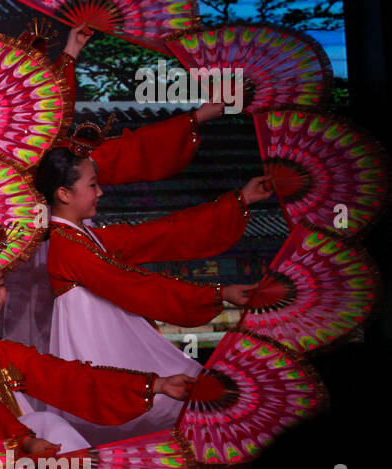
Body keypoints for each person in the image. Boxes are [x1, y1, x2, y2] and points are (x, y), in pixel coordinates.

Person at [0, 22, 224, 352]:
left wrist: (71, 52)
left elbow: (131, 148)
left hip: (68, 240)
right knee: (30, 328)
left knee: (89, 325)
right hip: (24, 248)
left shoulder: (65, 155)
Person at [35, 136, 270, 445]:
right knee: (187, 407)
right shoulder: (69, 247)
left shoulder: (83, 237)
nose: (100, 192)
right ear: (64, 193)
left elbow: (160, 233)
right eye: (93, 185)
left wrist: (240, 199)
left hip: (115, 352)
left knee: (191, 407)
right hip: (103, 359)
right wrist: (217, 293)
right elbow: (134, 285)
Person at [0, 226, 195, 456]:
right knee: (49, 427)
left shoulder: (0, 351)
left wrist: (155, 384)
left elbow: (66, 377)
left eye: (1, 286)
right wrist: (25, 441)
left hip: (12, 448)